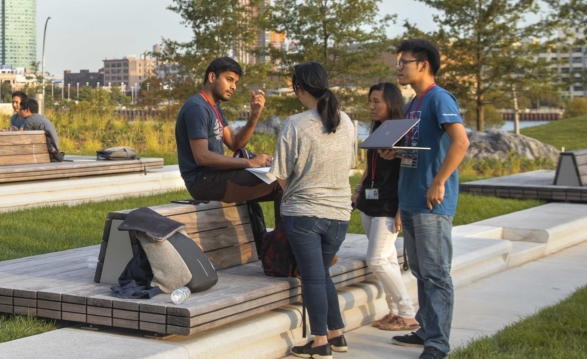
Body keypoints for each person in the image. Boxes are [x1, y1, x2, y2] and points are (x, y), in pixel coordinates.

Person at [388, 38, 470, 359]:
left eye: (403, 62)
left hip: (431, 203)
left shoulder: (439, 98)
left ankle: (437, 344)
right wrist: (393, 152)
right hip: (409, 200)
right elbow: (416, 151)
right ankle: (426, 329)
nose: (398, 68)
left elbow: (460, 142)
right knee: (422, 272)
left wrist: (440, 181)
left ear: (423, 65)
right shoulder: (412, 104)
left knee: (436, 273)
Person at [268, 62, 357, 359]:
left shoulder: (295, 123)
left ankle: (320, 343)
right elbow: (349, 166)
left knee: (313, 278)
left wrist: (295, 185)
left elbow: (280, 173)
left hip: (304, 213)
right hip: (340, 213)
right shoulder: (346, 121)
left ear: (298, 89)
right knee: (322, 274)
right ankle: (337, 333)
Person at [355, 82, 421, 332]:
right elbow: (368, 167)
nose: (371, 106)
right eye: (370, 101)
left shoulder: (403, 134)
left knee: (377, 259)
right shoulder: (377, 130)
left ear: (390, 103)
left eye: (377, 102)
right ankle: (395, 312)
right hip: (369, 203)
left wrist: (401, 209)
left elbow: (409, 172)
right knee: (389, 259)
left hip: (389, 205)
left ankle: (406, 313)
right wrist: (359, 190)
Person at [175, 57, 275, 204]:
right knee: (279, 181)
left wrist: (255, 114)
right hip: (202, 182)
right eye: (229, 79)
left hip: (218, 176)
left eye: (235, 82)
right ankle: (284, 228)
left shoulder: (214, 108)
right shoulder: (197, 108)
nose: (233, 86)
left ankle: (282, 228)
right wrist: (249, 163)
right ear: (212, 77)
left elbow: (235, 143)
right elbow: (202, 157)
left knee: (283, 178)